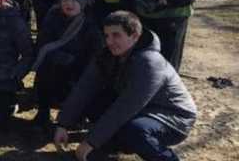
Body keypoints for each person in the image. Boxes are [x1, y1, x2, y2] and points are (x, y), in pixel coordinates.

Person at [54, 11, 197, 161]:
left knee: (136, 131)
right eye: (107, 35)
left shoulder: (150, 62)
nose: (109, 41)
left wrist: (90, 142)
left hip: (173, 116)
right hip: (143, 109)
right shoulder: (108, 54)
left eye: (116, 35)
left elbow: (125, 107)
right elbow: (84, 87)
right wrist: (63, 124)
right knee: (94, 101)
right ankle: (115, 143)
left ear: (134, 35)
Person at [32, 0, 102, 128]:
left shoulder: (90, 24)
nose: (68, 3)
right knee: (46, 66)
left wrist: (74, 61)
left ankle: (77, 114)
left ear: (82, 1)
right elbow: (43, 42)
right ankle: (43, 111)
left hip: (77, 70)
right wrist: (60, 57)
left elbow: (96, 55)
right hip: (55, 65)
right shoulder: (52, 16)